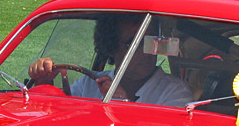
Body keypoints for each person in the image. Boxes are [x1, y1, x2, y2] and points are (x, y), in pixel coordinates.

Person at [28, 15, 192, 107]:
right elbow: (60, 114)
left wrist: (123, 103)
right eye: (132, 44)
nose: (144, 51)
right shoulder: (89, 83)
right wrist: (44, 85)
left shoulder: (175, 92)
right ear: (112, 48)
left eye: (149, 42)